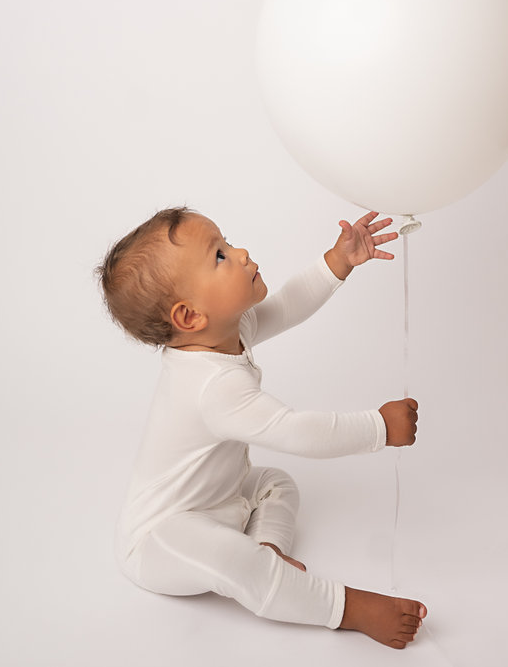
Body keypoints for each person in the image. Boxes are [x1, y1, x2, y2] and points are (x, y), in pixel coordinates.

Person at [97, 207, 426, 648]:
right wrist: (378, 428)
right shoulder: (211, 385)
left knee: (276, 483)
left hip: (220, 498)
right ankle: (347, 608)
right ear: (190, 316)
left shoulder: (224, 333)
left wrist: (339, 261)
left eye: (227, 242)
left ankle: (270, 549)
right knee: (235, 561)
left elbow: (287, 306)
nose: (241, 253)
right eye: (219, 256)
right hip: (161, 539)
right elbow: (296, 431)